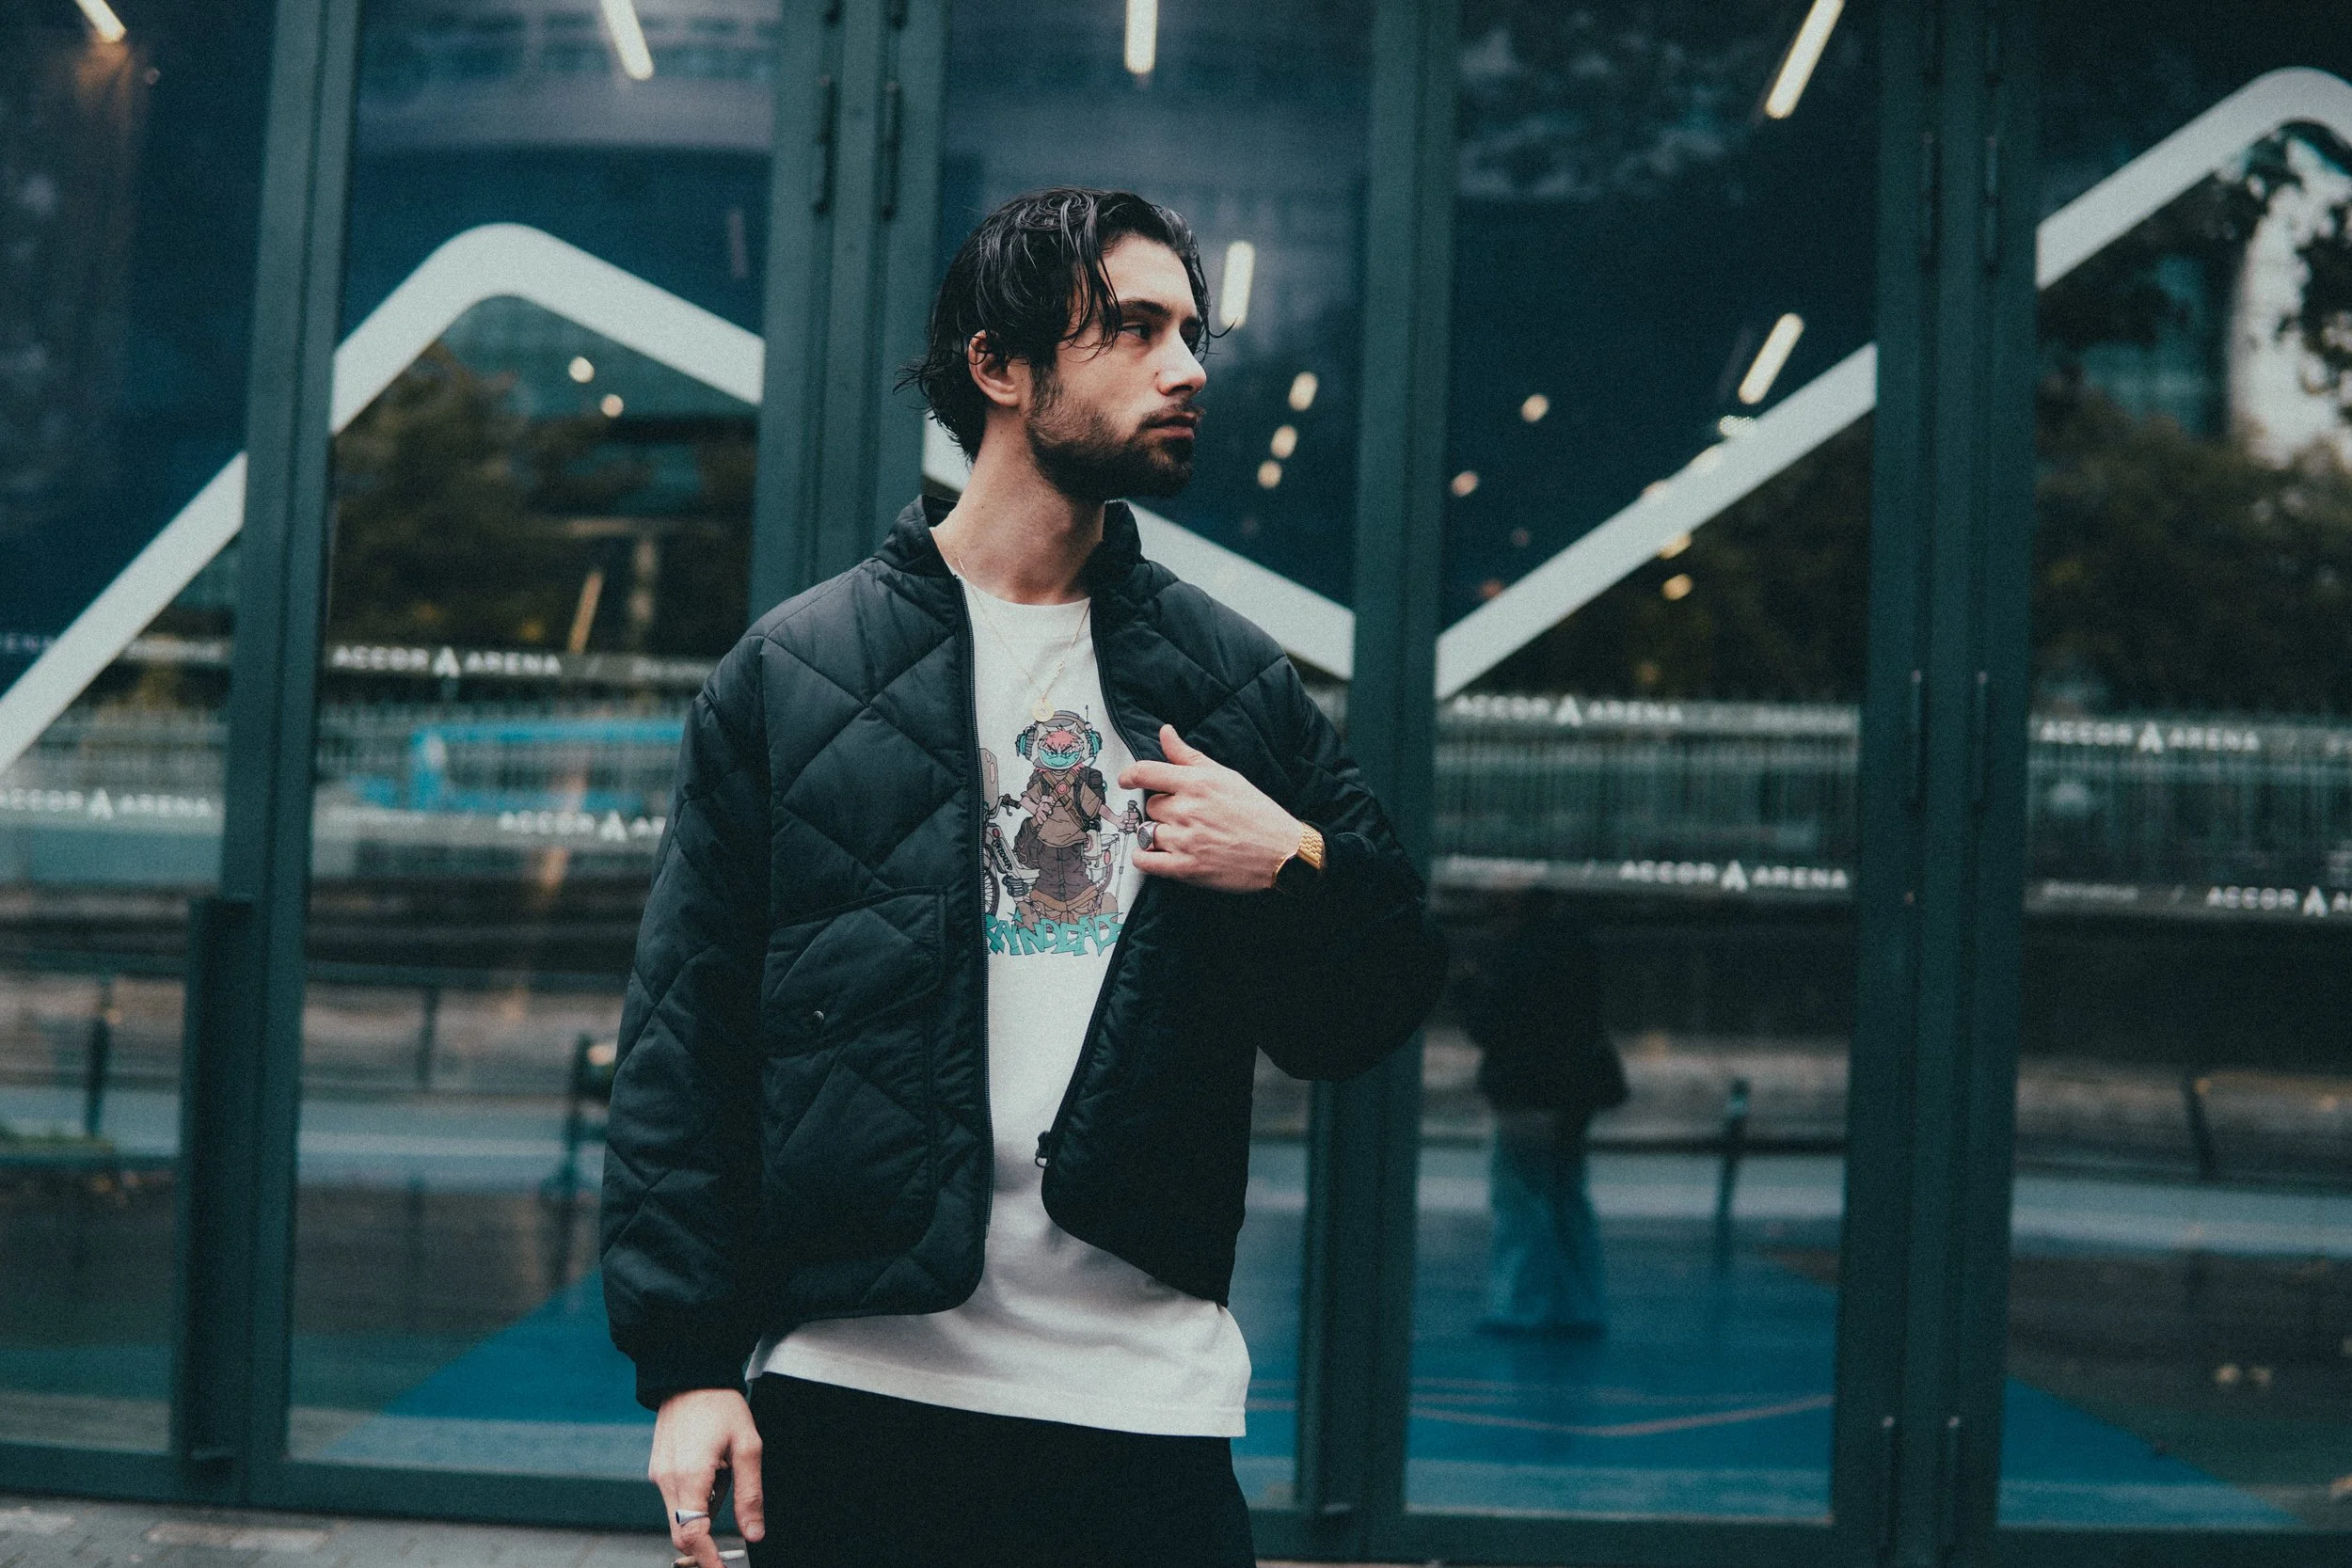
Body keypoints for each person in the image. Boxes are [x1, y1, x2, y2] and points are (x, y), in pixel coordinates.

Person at [598, 187, 1448, 1568]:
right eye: (1133, 329)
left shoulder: (1228, 681)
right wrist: (689, 1363)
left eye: (1192, 331)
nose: (1188, 368)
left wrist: (1289, 858)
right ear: (998, 366)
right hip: (865, 1385)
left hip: (1143, 1399)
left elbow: (1372, 1000)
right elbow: (684, 1040)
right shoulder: (797, 673)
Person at [1463, 889, 1626, 1336]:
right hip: (1572, 1091)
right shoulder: (1574, 945)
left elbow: (1490, 1025)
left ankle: (1521, 1305)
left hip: (1524, 1092)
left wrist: (1468, 991)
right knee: (1567, 1196)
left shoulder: (1514, 956)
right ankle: (1581, 1305)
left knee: (1521, 1199)